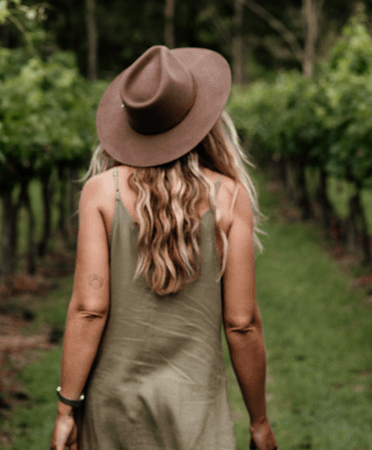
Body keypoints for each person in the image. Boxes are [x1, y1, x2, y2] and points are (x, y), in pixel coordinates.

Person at [50, 45, 277, 450]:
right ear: (202, 121)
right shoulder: (228, 196)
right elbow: (242, 323)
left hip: (113, 409)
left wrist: (67, 408)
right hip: (197, 412)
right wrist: (258, 420)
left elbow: (89, 308)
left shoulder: (101, 193)